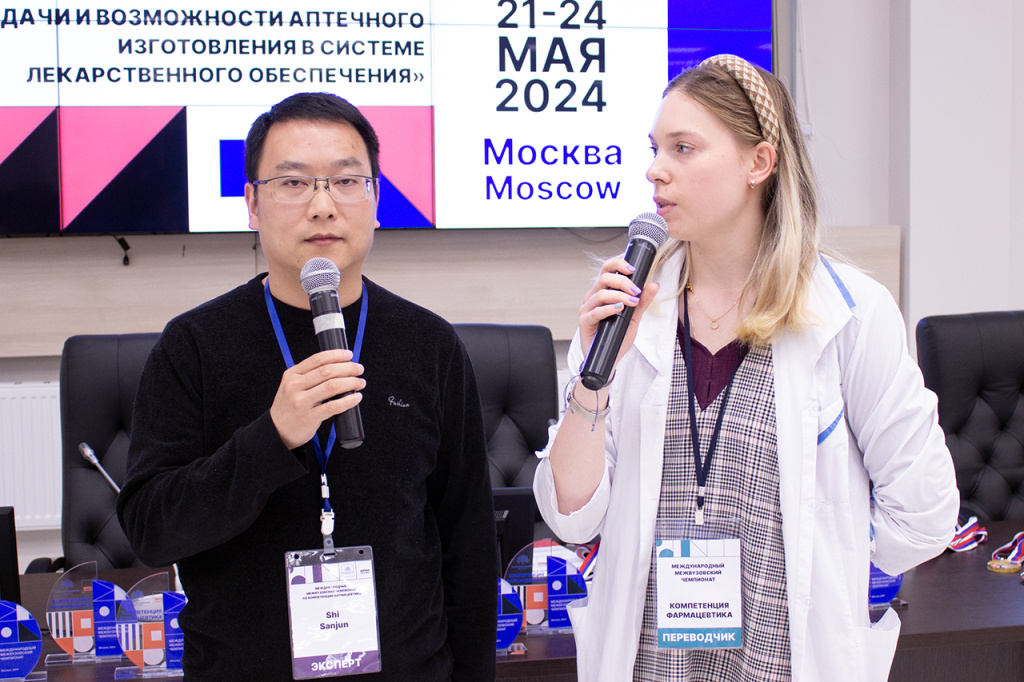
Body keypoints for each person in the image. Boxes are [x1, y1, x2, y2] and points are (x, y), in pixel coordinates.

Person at [533, 55, 959, 681]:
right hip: (649, 665)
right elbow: (570, 515)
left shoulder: (849, 314)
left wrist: (829, 557)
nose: (655, 170)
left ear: (758, 162)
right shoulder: (629, 313)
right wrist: (594, 382)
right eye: (654, 149)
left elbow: (924, 515)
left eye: (683, 148)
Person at [117, 92, 497, 680]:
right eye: (293, 183)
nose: (323, 207)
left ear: (375, 200)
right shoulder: (193, 345)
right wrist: (272, 438)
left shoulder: (430, 344)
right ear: (252, 203)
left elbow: (467, 544)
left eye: (346, 182)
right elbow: (152, 530)